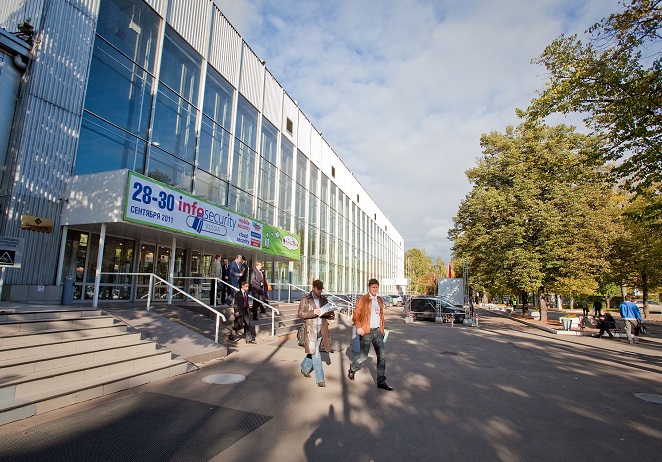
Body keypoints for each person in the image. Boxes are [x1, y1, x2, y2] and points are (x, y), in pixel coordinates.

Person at [347, 278, 394, 391]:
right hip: (366, 332)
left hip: (378, 332)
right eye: (373, 287)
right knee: (363, 356)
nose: (375, 289)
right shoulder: (362, 300)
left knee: (382, 357)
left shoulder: (379, 301)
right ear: (369, 287)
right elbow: (355, 316)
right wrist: (358, 327)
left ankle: (381, 380)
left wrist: (382, 329)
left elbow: (381, 316)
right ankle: (352, 368)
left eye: (377, 287)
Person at [298, 279, 333, 388]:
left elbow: (328, 314)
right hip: (310, 330)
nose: (319, 292)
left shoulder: (324, 299)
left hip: (321, 329)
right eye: (318, 290)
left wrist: (330, 313)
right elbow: (300, 313)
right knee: (316, 354)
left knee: (312, 351)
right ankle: (320, 380)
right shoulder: (306, 299)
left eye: (321, 290)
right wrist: (313, 312)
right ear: (313, 288)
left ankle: (304, 368)